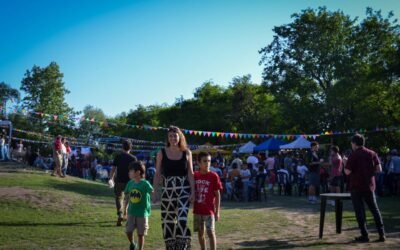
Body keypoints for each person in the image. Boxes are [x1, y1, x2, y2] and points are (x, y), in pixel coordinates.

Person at [152, 126, 195, 249]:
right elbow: (157, 174)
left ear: (180, 136)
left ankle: (183, 246)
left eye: (175, 135)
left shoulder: (187, 152)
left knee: (182, 220)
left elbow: (190, 173)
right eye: (170, 136)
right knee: (168, 223)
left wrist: (193, 192)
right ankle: (171, 247)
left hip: (183, 189)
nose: (172, 138)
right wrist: (155, 192)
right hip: (167, 191)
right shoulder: (161, 152)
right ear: (167, 138)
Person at [344, 134, 386, 242]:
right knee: (375, 210)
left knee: (360, 212)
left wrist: (345, 163)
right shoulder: (372, 153)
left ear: (354, 143)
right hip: (369, 186)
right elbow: (379, 169)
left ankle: (365, 235)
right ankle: (382, 234)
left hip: (356, 187)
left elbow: (347, 172)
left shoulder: (353, 155)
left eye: (351, 143)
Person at [193, 152, 222, 250]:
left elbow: (218, 195)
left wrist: (217, 211)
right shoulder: (195, 176)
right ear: (198, 163)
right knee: (200, 233)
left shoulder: (214, 176)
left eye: (209, 161)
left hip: (209, 211)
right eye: (205, 161)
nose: (207, 163)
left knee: (211, 232)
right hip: (197, 210)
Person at [123, 161, 153, 250]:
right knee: (128, 231)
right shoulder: (130, 183)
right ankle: (132, 243)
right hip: (131, 212)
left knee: (140, 234)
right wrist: (125, 210)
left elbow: (152, 192)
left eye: (131, 171)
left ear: (138, 172)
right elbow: (127, 197)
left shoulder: (145, 184)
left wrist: (155, 195)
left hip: (142, 213)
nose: (129, 172)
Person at [110, 139, 138, 226]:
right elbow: (136, 171)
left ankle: (120, 214)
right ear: (131, 147)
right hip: (130, 182)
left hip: (119, 181)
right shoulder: (133, 158)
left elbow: (113, 170)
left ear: (122, 147)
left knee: (118, 198)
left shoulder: (118, 156)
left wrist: (111, 178)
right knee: (128, 199)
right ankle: (125, 213)